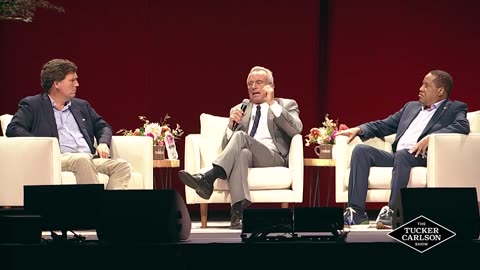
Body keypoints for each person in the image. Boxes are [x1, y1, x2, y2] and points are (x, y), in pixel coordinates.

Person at [337, 69, 470, 229]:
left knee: (402, 155)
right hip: (399, 156)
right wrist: (359, 129)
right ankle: (357, 212)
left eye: (426, 85)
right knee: (361, 150)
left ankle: (393, 212)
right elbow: (384, 125)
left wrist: (431, 137)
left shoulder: (454, 108)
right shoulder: (411, 107)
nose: (420, 88)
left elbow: (462, 125)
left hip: (422, 157)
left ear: (440, 91)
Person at [178, 66, 303, 229]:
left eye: (259, 82)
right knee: (242, 153)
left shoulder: (286, 104)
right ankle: (237, 215)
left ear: (270, 86)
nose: (253, 87)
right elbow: (227, 149)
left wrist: (272, 103)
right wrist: (230, 125)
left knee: (241, 137)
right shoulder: (240, 109)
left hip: (274, 157)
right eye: (250, 83)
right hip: (249, 155)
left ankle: (209, 177)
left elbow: (296, 129)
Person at [6, 58, 131, 189]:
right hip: (58, 159)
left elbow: (103, 126)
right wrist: (44, 146)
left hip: (89, 158)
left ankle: (112, 207)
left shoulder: (81, 105)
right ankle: (95, 207)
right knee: (82, 159)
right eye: (72, 80)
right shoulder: (34, 105)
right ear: (57, 84)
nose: (77, 84)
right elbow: (13, 128)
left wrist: (103, 143)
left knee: (122, 165)